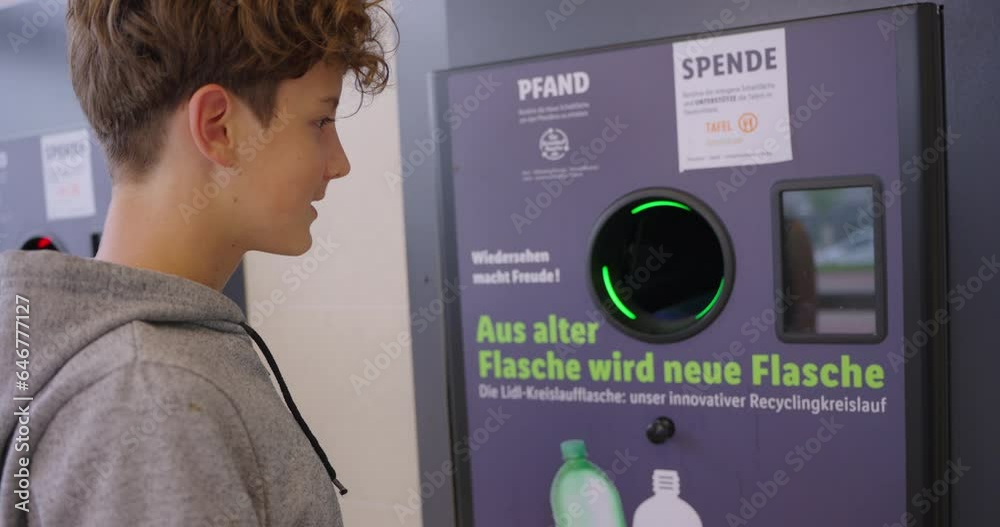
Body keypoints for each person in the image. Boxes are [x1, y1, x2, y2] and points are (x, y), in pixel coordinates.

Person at [0, 1, 394, 525]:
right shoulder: (149, 397)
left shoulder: (153, 363)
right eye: (319, 121)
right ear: (217, 127)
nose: (339, 163)